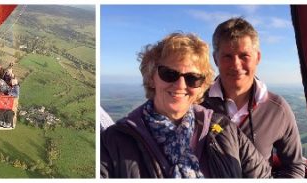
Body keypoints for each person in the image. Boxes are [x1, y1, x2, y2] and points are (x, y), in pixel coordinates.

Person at [101, 32, 269, 178]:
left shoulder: (224, 130)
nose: (180, 85)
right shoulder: (115, 141)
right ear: (152, 77)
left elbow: (263, 176)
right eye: (169, 74)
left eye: (192, 78)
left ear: (202, 85)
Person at [198, 18, 304, 178]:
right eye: (227, 56)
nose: (236, 64)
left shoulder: (277, 109)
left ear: (258, 57)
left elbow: (294, 166)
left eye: (244, 55)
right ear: (215, 59)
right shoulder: (197, 103)